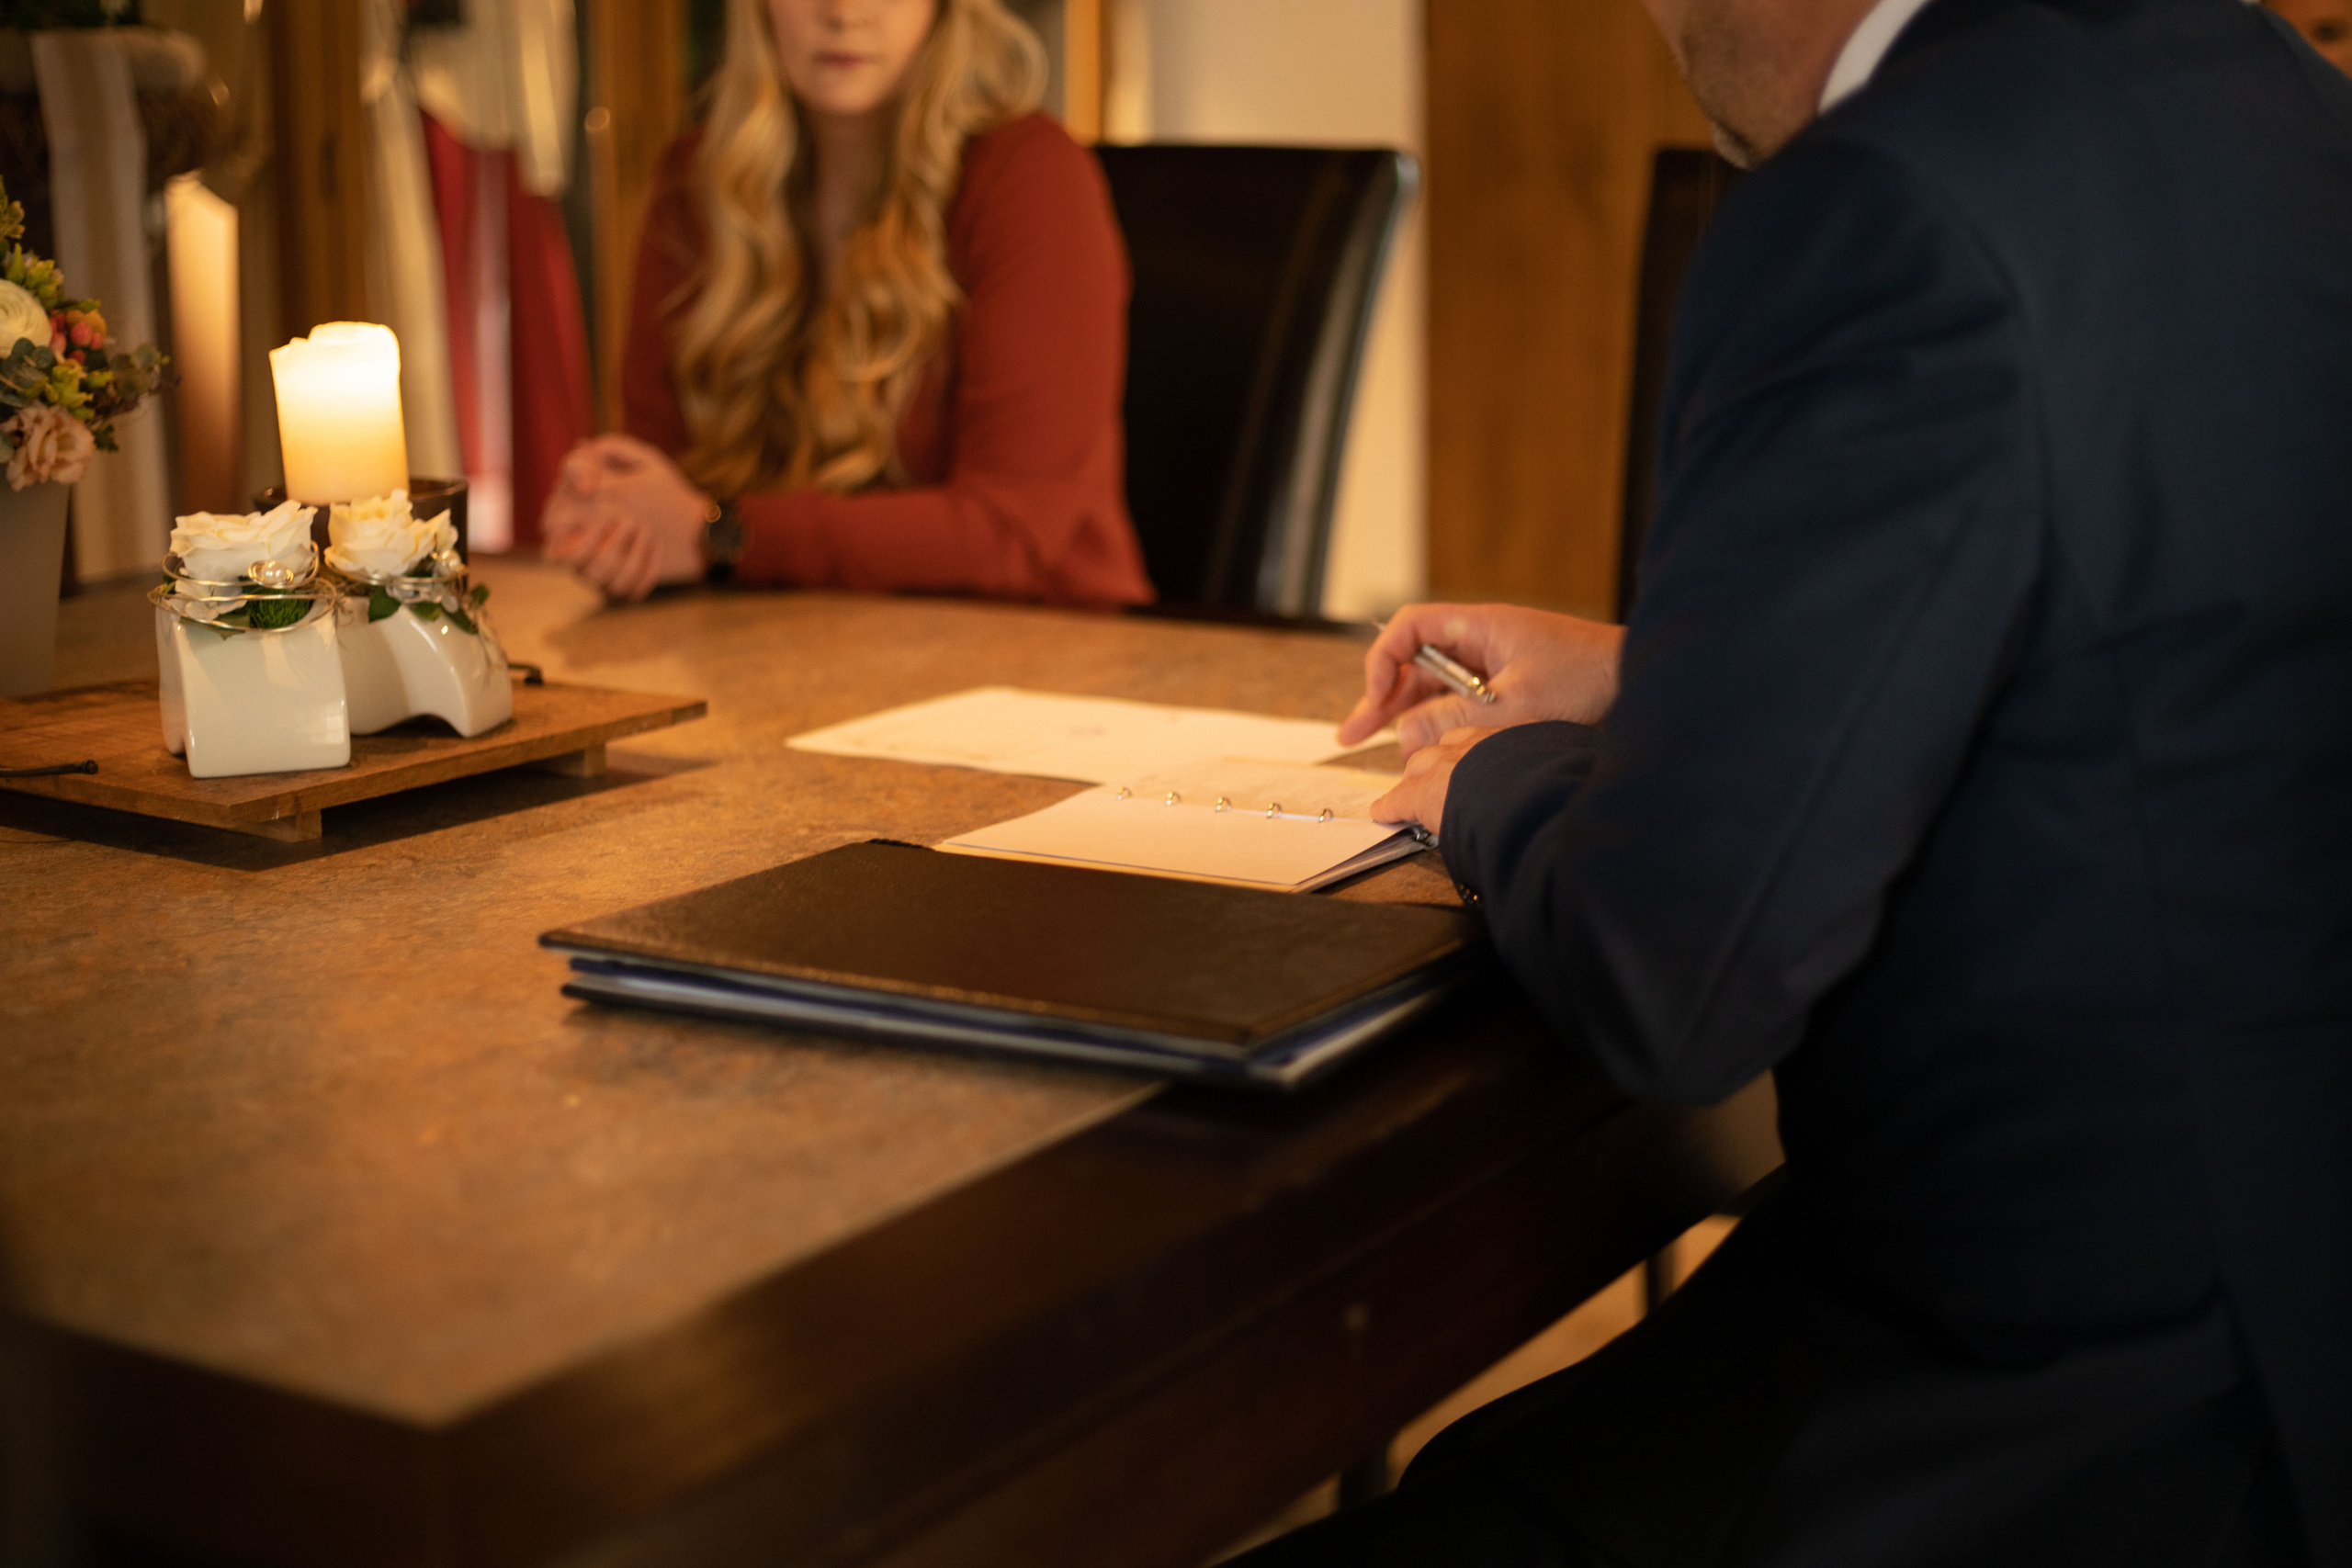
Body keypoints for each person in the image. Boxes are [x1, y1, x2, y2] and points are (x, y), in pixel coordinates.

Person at [1238, 0, 2352, 1562]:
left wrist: (1493, 776)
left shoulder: (1883, 200)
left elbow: (1678, 980)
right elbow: (2147, 635)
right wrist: (1665, 672)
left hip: (2037, 1407)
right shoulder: (2276, 96)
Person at [540, 0, 1153, 608]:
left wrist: (722, 535)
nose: (843, 11)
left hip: (1045, 658)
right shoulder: (693, 187)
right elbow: (660, 485)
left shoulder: (1031, 176)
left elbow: (1010, 533)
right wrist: (611, 515)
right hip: (782, 652)